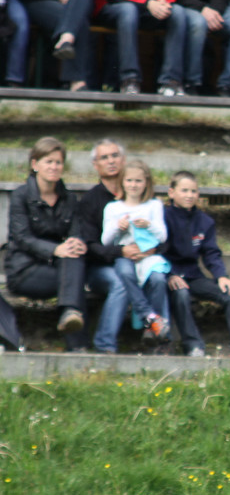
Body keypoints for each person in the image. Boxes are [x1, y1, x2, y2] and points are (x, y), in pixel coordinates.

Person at [4, 137, 88, 350]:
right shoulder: (21, 196)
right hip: (25, 271)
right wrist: (55, 249)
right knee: (73, 279)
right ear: (35, 164)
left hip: (58, 268)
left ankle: (70, 315)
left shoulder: (69, 199)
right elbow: (22, 238)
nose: (54, 167)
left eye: (58, 162)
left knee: (74, 257)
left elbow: (75, 233)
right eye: (48, 161)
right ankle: (77, 346)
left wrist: (77, 243)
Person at [161, 171, 230, 358]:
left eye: (193, 191)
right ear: (171, 192)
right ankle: (193, 346)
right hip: (168, 276)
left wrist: (222, 276)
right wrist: (169, 275)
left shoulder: (204, 221)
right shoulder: (162, 217)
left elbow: (211, 253)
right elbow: (156, 252)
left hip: (193, 276)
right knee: (180, 294)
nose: (189, 195)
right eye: (184, 190)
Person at [100, 159, 171, 345]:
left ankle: (151, 329)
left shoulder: (154, 205)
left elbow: (162, 236)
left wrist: (149, 225)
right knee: (125, 273)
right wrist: (118, 227)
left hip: (148, 255)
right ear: (122, 182)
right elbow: (105, 241)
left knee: (158, 279)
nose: (133, 185)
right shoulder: (113, 208)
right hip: (125, 256)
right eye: (129, 180)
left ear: (146, 183)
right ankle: (150, 316)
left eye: (138, 181)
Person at [77, 139, 134, 354]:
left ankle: (159, 340)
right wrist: (121, 252)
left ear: (123, 160)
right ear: (96, 164)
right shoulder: (90, 200)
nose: (111, 161)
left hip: (137, 262)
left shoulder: (136, 193)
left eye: (115, 155)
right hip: (99, 269)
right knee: (121, 283)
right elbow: (90, 246)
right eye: (104, 157)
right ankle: (104, 344)